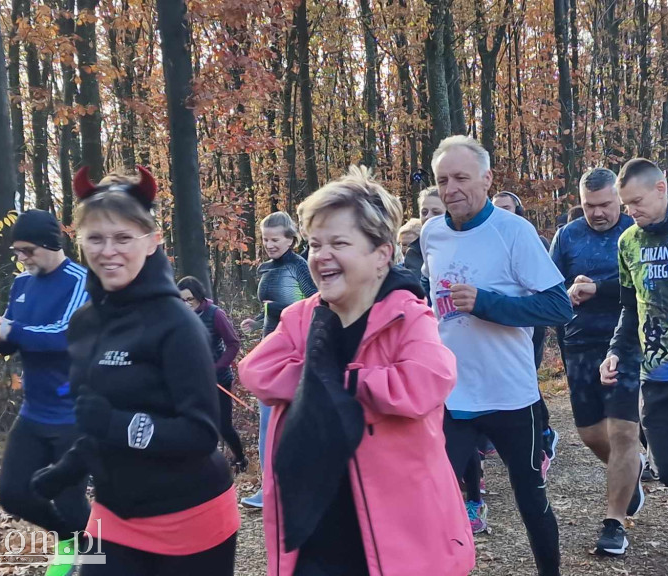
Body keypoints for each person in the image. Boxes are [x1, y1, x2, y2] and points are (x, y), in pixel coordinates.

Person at [237, 166, 475, 576]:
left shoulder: (407, 315)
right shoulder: (303, 316)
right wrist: (319, 379)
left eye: (338, 243)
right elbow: (256, 370)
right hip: (314, 529)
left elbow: (425, 382)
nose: (321, 255)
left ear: (381, 254)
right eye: (314, 244)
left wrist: (345, 380)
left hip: (396, 538)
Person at [29, 166, 238, 574]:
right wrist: (67, 469)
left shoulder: (179, 324)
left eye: (123, 237)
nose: (109, 250)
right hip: (114, 513)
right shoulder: (84, 322)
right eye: (96, 238)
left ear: (152, 242)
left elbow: (199, 434)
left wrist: (117, 424)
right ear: (80, 243)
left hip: (190, 516)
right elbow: (93, 417)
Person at [422, 135, 572, 575]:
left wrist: (488, 302)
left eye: (462, 178)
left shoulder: (514, 232)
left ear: (487, 179)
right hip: (452, 395)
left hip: (510, 395)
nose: (451, 189)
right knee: (435, 498)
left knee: (530, 497)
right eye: (443, 180)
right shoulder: (431, 234)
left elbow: (558, 307)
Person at [0, 210, 91, 576]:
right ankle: (75, 541)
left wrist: (10, 332)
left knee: (70, 500)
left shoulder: (79, 281)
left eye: (28, 250)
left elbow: (65, 334)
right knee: (12, 493)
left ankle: (96, 561)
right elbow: (14, 331)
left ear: (51, 244)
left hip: (74, 413)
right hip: (34, 412)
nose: (22, 258)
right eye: (17, 251)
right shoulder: (22, 283)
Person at [600, 158, 668, 574]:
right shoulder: (628, 241)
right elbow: (630, 308)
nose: (631, 211)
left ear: (662, 189)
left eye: (637, 202)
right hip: (655, 374)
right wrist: (615, 351)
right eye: (626, 205)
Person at [550, 168, 644, 556]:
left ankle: (614, 523)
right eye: (590, 206)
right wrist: (566, 293)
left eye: (605, 204)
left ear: (618, 200)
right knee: (591, 434)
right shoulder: (568, 236)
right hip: (580, 344)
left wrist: (598, 289)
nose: (598, 212)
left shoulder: (634, 234)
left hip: (624, 343)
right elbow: (549, 284)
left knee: (623, 432)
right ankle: (628, 477)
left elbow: (642, 288)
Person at [239, 211, 317, 508]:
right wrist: (257, 322)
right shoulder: (264, 269)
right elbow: (272, 307)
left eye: (275, 239)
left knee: (297, 423)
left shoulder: (301, 267)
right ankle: (270, 489)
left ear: (291, 239)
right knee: (268, 424)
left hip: (296, 350)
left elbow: (313, 303)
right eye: (265, 239)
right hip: (268, 349)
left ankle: (301, 486)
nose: (270, 244)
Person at [491, 190, 559, 458]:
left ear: (518, 210)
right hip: (496, 323)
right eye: (497, 208)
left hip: (529, 322)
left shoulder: (532, 237)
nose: (502, 213)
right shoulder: (487, 240)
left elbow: (547, 286)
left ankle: (542, 433)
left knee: (526, 376)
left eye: (507, 207)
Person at [177, 276, 248, 472]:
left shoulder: (215, 314)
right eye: (181, 300)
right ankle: (203, 465)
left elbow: (233, 344)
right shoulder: (180, 316)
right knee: (196, 422)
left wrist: (217, 367)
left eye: (189, 299)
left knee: (223, 426)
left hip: (218, 380)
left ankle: (241, 459)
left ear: (199, 297)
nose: (185, 304)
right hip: (193, 381)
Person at [402, 186, 446, 283]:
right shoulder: (415, 252)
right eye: (424, 212)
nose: (428, 217)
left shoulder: (464, 244)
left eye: (436, 212)